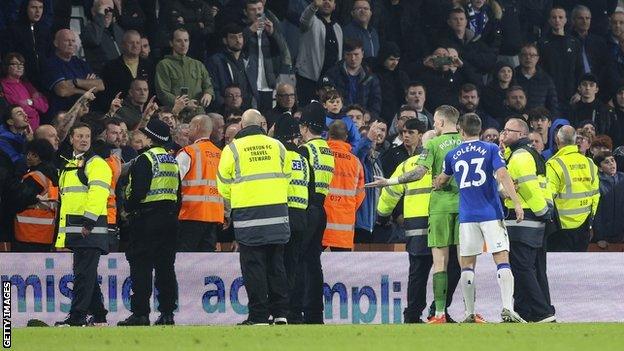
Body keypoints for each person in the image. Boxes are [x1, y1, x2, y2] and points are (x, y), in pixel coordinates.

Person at [366, 105, 463, 324]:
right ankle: (439, 310)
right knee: (452, 268)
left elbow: (389, 194)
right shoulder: (455, 162)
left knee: (419, 271)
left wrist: (381, 217)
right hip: (446, 221)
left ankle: (413, 314)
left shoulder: (408, 164)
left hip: (417, 225)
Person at [434, 113, 526, 323]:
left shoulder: (453, 154)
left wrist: (436, 182)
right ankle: (507, 308)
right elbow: (502, 175)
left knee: (467, 264)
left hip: (467, 217)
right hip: (491, 214)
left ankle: (469, 313)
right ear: (480, 129)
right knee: (502, 259)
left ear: (460, 130)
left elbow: (442, 180)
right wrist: (517, 202)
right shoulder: (491, 149)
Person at [217, 109, 291, 325]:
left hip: (248, 215)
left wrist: (236, 202)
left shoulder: (232, 149)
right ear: (262, 124)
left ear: (241, 126)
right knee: (276, 265)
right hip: (277, 213)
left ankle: (258, 316)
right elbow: (287, 176)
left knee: (254, 266)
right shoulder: (277, 146)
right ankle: (280, 314)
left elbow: (223, 184)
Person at [118, 119, 180, 326]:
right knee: (165, 269)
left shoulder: (144, 159)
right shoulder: (171, 160)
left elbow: (139, 192)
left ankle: (141, 313)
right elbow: (178, 195)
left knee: (141, 266)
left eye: (144, 134)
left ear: (149, 138)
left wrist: (128, 207)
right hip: (169, 220)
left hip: (146, 220)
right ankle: (167, 313)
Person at [54, 123, 112, 327]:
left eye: (87, 136)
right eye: (79, 136)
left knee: (82, 275)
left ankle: (77, 317)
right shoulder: (71, 164)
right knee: (86, 275)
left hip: (89, 229)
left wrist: (88, 221)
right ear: (71, 138)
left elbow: (98, 194)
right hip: (79, 229)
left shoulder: (96, 163)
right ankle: (99, 316)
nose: (84, 139)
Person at [499, 117, 556, 323]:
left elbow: (528, 186)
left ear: (521, 134)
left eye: (508, 130)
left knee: (522, 267)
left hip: (525, 218)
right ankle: (524, 312)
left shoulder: (520, 156)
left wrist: (541, 212)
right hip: (535, 217)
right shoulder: (524, 154)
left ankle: (542, 313)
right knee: (533, 268)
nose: (503, 133)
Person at [293, 102, 335, 324]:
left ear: (306, 127)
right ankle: (315, 313)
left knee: (298, 260)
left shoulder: (305, 150)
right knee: (313, 261)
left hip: (306, 208)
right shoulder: (327, 149)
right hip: (321, 209)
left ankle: (296, 311)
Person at [272, 114, 310, 323]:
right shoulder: (303, 160)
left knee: (277, 265)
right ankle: (294, 312)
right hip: (301, 217)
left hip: (281, 215)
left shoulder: (279, 156)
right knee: (293, 266)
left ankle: (279, 311)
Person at [546, 125, 600, 252]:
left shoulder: (554, 164)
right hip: (584, 226)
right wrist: (590, 222)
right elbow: (596, 196)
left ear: (557, 141)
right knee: (579, 268)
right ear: (575, 141)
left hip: (560, 229)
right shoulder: (590, 163)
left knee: (559, 269)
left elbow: (548, 197)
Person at [176, 115, 223, 252]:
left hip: (191, 215)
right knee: (205, 262)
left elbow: (174, 181)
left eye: (190, 126)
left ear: (196, 127)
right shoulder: (221, 154)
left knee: (184, 261)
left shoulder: (189, 152)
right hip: (214, 216)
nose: (187, 130)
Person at [322, 120, 365, 251]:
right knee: (341, 269)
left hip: (321, 222)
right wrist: (347, 206)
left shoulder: (321, 156)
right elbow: (360, 193)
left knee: (312, 266)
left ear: (328, 135)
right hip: (344, 224)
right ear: (346, 137)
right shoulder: (355, 162)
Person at [43, 29, 105, 117]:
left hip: (84, 113)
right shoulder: (51, 63)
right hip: (62, 115)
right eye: (67, 41)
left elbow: (100, 85)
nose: (71, 44)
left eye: (73, 41)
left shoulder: (80, 63)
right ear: (56, 43)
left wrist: (75, 82)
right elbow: (62, 90)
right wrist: (85, 91)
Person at [12, 138, 58, 252]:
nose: (28, 157)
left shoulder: (35, 177)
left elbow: (20, 200)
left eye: (33, 155)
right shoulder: (54, 175)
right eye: (28, 153)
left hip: (27, 233)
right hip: (46, 234)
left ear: (40, 157)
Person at [296, 0, 343, 106]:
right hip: (308, 79)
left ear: (335, 5)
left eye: (330, 0)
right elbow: (304, 20)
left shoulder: (337, 27)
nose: (326, 2)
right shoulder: (311, 20)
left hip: (330, 82)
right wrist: (313, 6)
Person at [154, 28, 214, 111]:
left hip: (198, 113)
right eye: (179, 41)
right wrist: (184, 104)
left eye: (186, 40)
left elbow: (208, 85)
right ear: (171, 43)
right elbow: (163, 92)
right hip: (175, 115)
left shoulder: (198, 64)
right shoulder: (164, 65)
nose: (183, 44)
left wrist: (208, 93)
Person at [537, 7, 582, 111]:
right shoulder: (542, 43)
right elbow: (540, 69)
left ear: (566, 20)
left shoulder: (574, 42)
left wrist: (579, 92)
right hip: (549, 95)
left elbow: (580, 69)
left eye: (560, 17)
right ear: (549, 20)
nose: (557, 20)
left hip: (571, 96)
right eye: (554, 17)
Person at [322, 39, 381, 118]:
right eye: (349, 54)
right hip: (338, 119)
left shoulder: (371, 77)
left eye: (356, 54)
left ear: (362, 54)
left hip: (363, 120)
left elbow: (376, 102)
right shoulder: (333, 74)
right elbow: (327, 99)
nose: (353, 58)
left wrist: (370, 115)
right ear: (344, 55)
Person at [99, 30, 155, 113]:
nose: (135, 46)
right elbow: (107, 93)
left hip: (145, 111)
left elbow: (152, 90)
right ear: (123, 45)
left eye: (138, 43)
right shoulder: (111, 67)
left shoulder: (149, 65)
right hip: (119, 112)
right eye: (131, 43)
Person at [5, 0, 53, 88]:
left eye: (40, 7)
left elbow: (49, 53)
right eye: (34, 7)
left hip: (44, 77)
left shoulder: (45, 30)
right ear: (25, 9)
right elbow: (9, 56)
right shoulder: (13, 29)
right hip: (22, 78)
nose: (38, 11)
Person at [206, 24, 253, 112]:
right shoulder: (216, 61)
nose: (238, 40)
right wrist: (223, 106)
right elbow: (213, 87)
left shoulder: (247, 60)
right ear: (225, 40)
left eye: (240, 36)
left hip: (245, 109)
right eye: (233, 37)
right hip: (223, 110)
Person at [1, 52, 49, 130]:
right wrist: (35, 109)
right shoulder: (3, 85)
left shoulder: (27, 84)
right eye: (15, 64)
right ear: (7, 66)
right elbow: (19, 107)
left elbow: (44, 105)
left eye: (21, 64)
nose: (19, 67)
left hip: (36, 127)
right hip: (19, 129)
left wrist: (31, 102)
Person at [514, 43, 559, 116]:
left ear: (537, 58)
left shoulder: (546, 79)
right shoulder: (512, 76)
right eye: (524, 55)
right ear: (519, 57)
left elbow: (553, 106)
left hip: (538, 120)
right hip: (516, 118)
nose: (528, 57)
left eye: (532, 55)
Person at [81, 0, 125, 73]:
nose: (107, 13)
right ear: (93, 11)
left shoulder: (118, 30)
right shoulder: (88, 30)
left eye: (110, 10)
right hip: (101, 76)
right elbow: (94, 40)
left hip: (120, 74)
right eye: (103, 10)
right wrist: (100, 16)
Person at [593, 152, 624, 248]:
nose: (611, 163)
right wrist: (599, 237)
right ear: (600, 168)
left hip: (621, 234)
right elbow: (597, 213)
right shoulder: (596, 182)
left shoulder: (622, 178)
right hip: (603, 236)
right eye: (606, 162)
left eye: (612, 160)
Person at [374, 42, 410, 124]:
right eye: (391, 59)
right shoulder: (374, 75)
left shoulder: (402, 76)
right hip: (380, 116)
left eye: (397, 60)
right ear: (383, 58)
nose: (395, 63)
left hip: (399, 117)